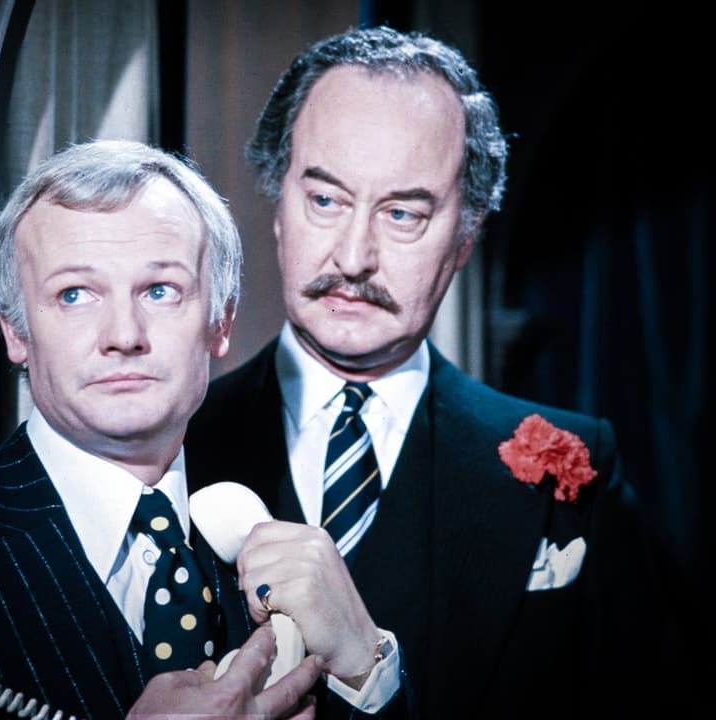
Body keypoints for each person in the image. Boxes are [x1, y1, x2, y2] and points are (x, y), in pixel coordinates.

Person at [185, 26, 672, 719]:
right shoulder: (172, 444)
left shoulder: (578, 470)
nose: (354, 256)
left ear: (465, 237)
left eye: (402, 214)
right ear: (279, 203)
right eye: (325, 201)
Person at [0, 140, 326, 719]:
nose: (124, 335)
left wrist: (365, 666)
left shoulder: (271, 539)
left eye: (160, 291)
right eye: (74, 295)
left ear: (220, 321)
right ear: (16, 331)